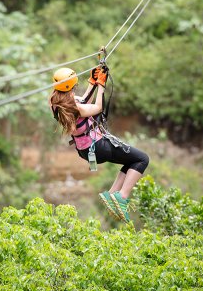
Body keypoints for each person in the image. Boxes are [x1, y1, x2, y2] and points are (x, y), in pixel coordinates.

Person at [49, 66, 149, 222]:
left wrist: (92, 82)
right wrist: (101, 87)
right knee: (142, 159)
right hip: (98, 147)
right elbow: (96, 108)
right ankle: (122, 196)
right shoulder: (75, 106)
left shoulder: (55, 103)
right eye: (74, 86)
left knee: (131, 162)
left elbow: (82, 102)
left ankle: (112, 194)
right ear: (71, 86)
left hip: (85, 149)